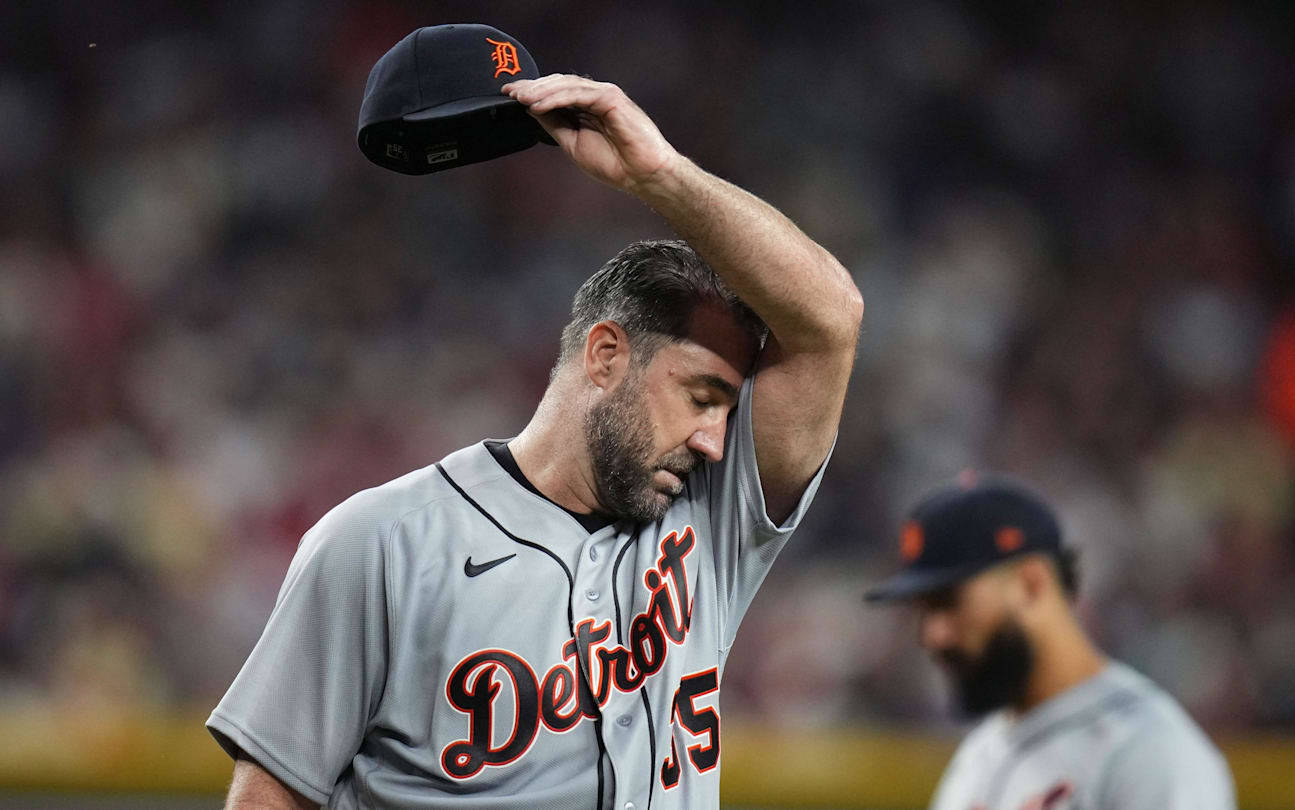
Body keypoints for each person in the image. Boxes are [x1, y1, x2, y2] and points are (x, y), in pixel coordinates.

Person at [207, 73, 863, 809]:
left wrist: (662, 175)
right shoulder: (381, 542)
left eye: (728, 413)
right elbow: (271, 795)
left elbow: (831, 318)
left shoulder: (710, 524)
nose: (715, 441)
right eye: (702, 398)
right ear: (606, 356)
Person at [864, 475, 1236, 810]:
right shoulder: (976, 756)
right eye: (923, 610)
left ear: (1031, 583)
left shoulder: (1150, 753)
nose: (932, 634)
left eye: (948, 602)